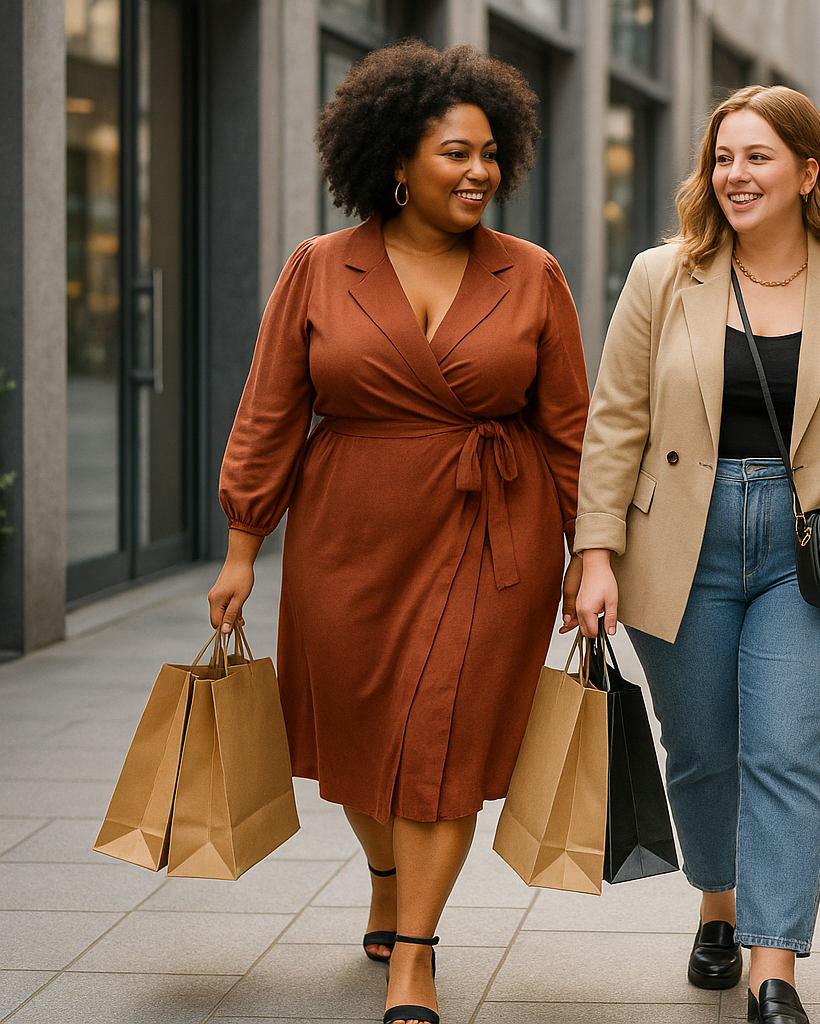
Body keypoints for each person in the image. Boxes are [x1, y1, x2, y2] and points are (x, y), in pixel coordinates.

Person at [207, 41, 588, 1024]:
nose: (480, 173)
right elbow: (269, 412)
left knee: (443, 742)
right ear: (395, 163)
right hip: (350, 535)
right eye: (458, 153)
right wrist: (244, 547)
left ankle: (414, 953)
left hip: (493, 530)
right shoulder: (319, 269)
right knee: (362, 743)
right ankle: (387, 873)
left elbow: (572, 430)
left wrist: (592, 556)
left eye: (492, 154)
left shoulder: (532, 274)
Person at [573, 85, 820, 1024]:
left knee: (788, 753)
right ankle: (718, 905)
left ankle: (776, 969)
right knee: (698, 752)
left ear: (809, 172)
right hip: (677, 537)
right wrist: (595, 553)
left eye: (757, 157)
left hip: (816, 542)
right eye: (723, 157)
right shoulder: (661, 276)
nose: (735, 175)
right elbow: (614, 424)